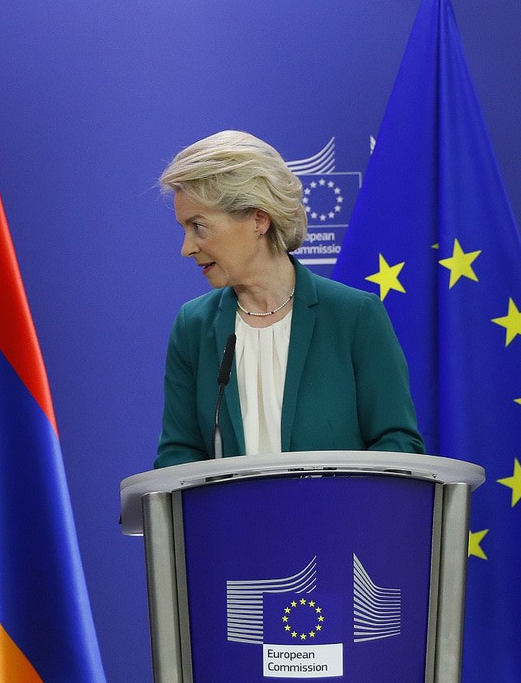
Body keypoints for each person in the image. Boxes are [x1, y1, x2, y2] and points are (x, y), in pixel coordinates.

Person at [155, 130, 423, 467]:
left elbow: (398, 443)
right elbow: (178, 454)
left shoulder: (354, 316)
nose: (186, 248)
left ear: (258, 219)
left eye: (198, 226)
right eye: (184, 229)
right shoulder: (193, 326)